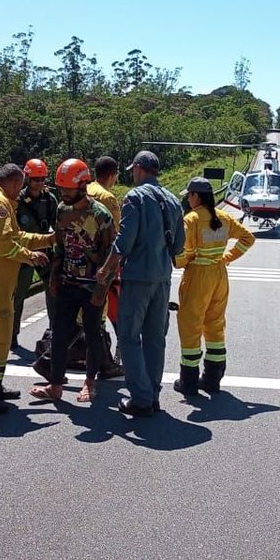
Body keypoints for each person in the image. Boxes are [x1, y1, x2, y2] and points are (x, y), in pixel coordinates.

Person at [96, 150, 185, 417]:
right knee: (155, 338)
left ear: (137, 168)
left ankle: (141, 398)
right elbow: (179, 245)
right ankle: (153, 394)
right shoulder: (172, 199)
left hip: (137, 279)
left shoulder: (135, 197)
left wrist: (106, 269)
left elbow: (124, 241)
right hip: (162, 278)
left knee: (129, 337)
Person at [0, 164, 54, 414]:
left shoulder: (1, 201)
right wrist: (31, 256)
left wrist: (47, 239)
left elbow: (17, 235)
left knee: (0, 336)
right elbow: (5, 243)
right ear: (15, 183)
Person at [30, 159, 116, 403]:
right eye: (61, 189)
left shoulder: (101, 215)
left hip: (92, 287)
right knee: (59, 334)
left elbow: (113, 254)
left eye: (68, 189)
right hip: (68, 283)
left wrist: (103, 288)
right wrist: (55, 277)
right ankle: (55, 385)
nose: (64, 194)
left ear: (83, 186)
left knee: (92, 335)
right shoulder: (62, 211)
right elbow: (59, 246)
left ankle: (90, 383)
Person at [173, 177, 255, 396]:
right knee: (215, 325)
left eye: (189, 195)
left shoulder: (191, 219)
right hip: (219, 274)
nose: (188, 199)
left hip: (198, 276)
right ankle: (212, 379)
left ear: (196, 196)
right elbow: (248, 238)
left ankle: (188, 382)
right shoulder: (225, 217)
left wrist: (179, 262)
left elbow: (182, 254)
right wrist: (227, 257)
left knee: (191, 326)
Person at [12, 158, 59, 350]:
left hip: (44, 252)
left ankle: (54, 331)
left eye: (42, 179)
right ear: (27, 179)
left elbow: (58, 228)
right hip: (24, 254)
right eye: (35, 179)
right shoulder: (17, 201)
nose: (39, 183)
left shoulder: (49, 200)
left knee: (54, 292)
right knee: (18, 295)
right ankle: (12, 334)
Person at [86, 155, 126, 377]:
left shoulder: (85, 190)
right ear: (112, 175)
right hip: (103, 263)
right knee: (110, 311)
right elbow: (117, 235)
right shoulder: (108, 198)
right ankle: (105, 361)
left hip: (81, 263)